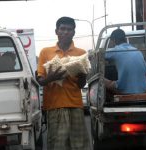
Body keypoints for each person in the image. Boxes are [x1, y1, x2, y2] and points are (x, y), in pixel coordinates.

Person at [37, 16, 91, 150]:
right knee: (58, 145)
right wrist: (52, 77)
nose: (65, 32)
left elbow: (81, 85)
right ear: (56, 31)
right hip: (54, 106)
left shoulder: (81, 53)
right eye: (62, 29)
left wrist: (82, 75)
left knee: (79, 145)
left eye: (69, 29)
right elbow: (41, 81)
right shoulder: (46, 52)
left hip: (75, 105)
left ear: (74, 32)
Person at [105, 28, 146, 94]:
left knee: (102, 80)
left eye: (111, 42)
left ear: (114, 40)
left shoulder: (116, 50)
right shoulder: (137, 51)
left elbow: (100, 55)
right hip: (143, 89)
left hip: (125, 89)